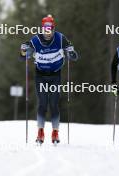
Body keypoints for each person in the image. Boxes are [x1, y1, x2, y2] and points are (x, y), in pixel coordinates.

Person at [20, 15, 78, 144]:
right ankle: (40, 132)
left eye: (50, 30)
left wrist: (71, 53)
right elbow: (23, 58)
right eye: (45, 30)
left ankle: (55, 132)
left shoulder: (60, 38)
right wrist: (24, 51)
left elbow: (74, 56)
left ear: (53, 29)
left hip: (55, 75)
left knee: (53, 103)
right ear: (42, 29)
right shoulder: (35, 40)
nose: (48, 33)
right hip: (40, 75)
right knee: (42, 103)